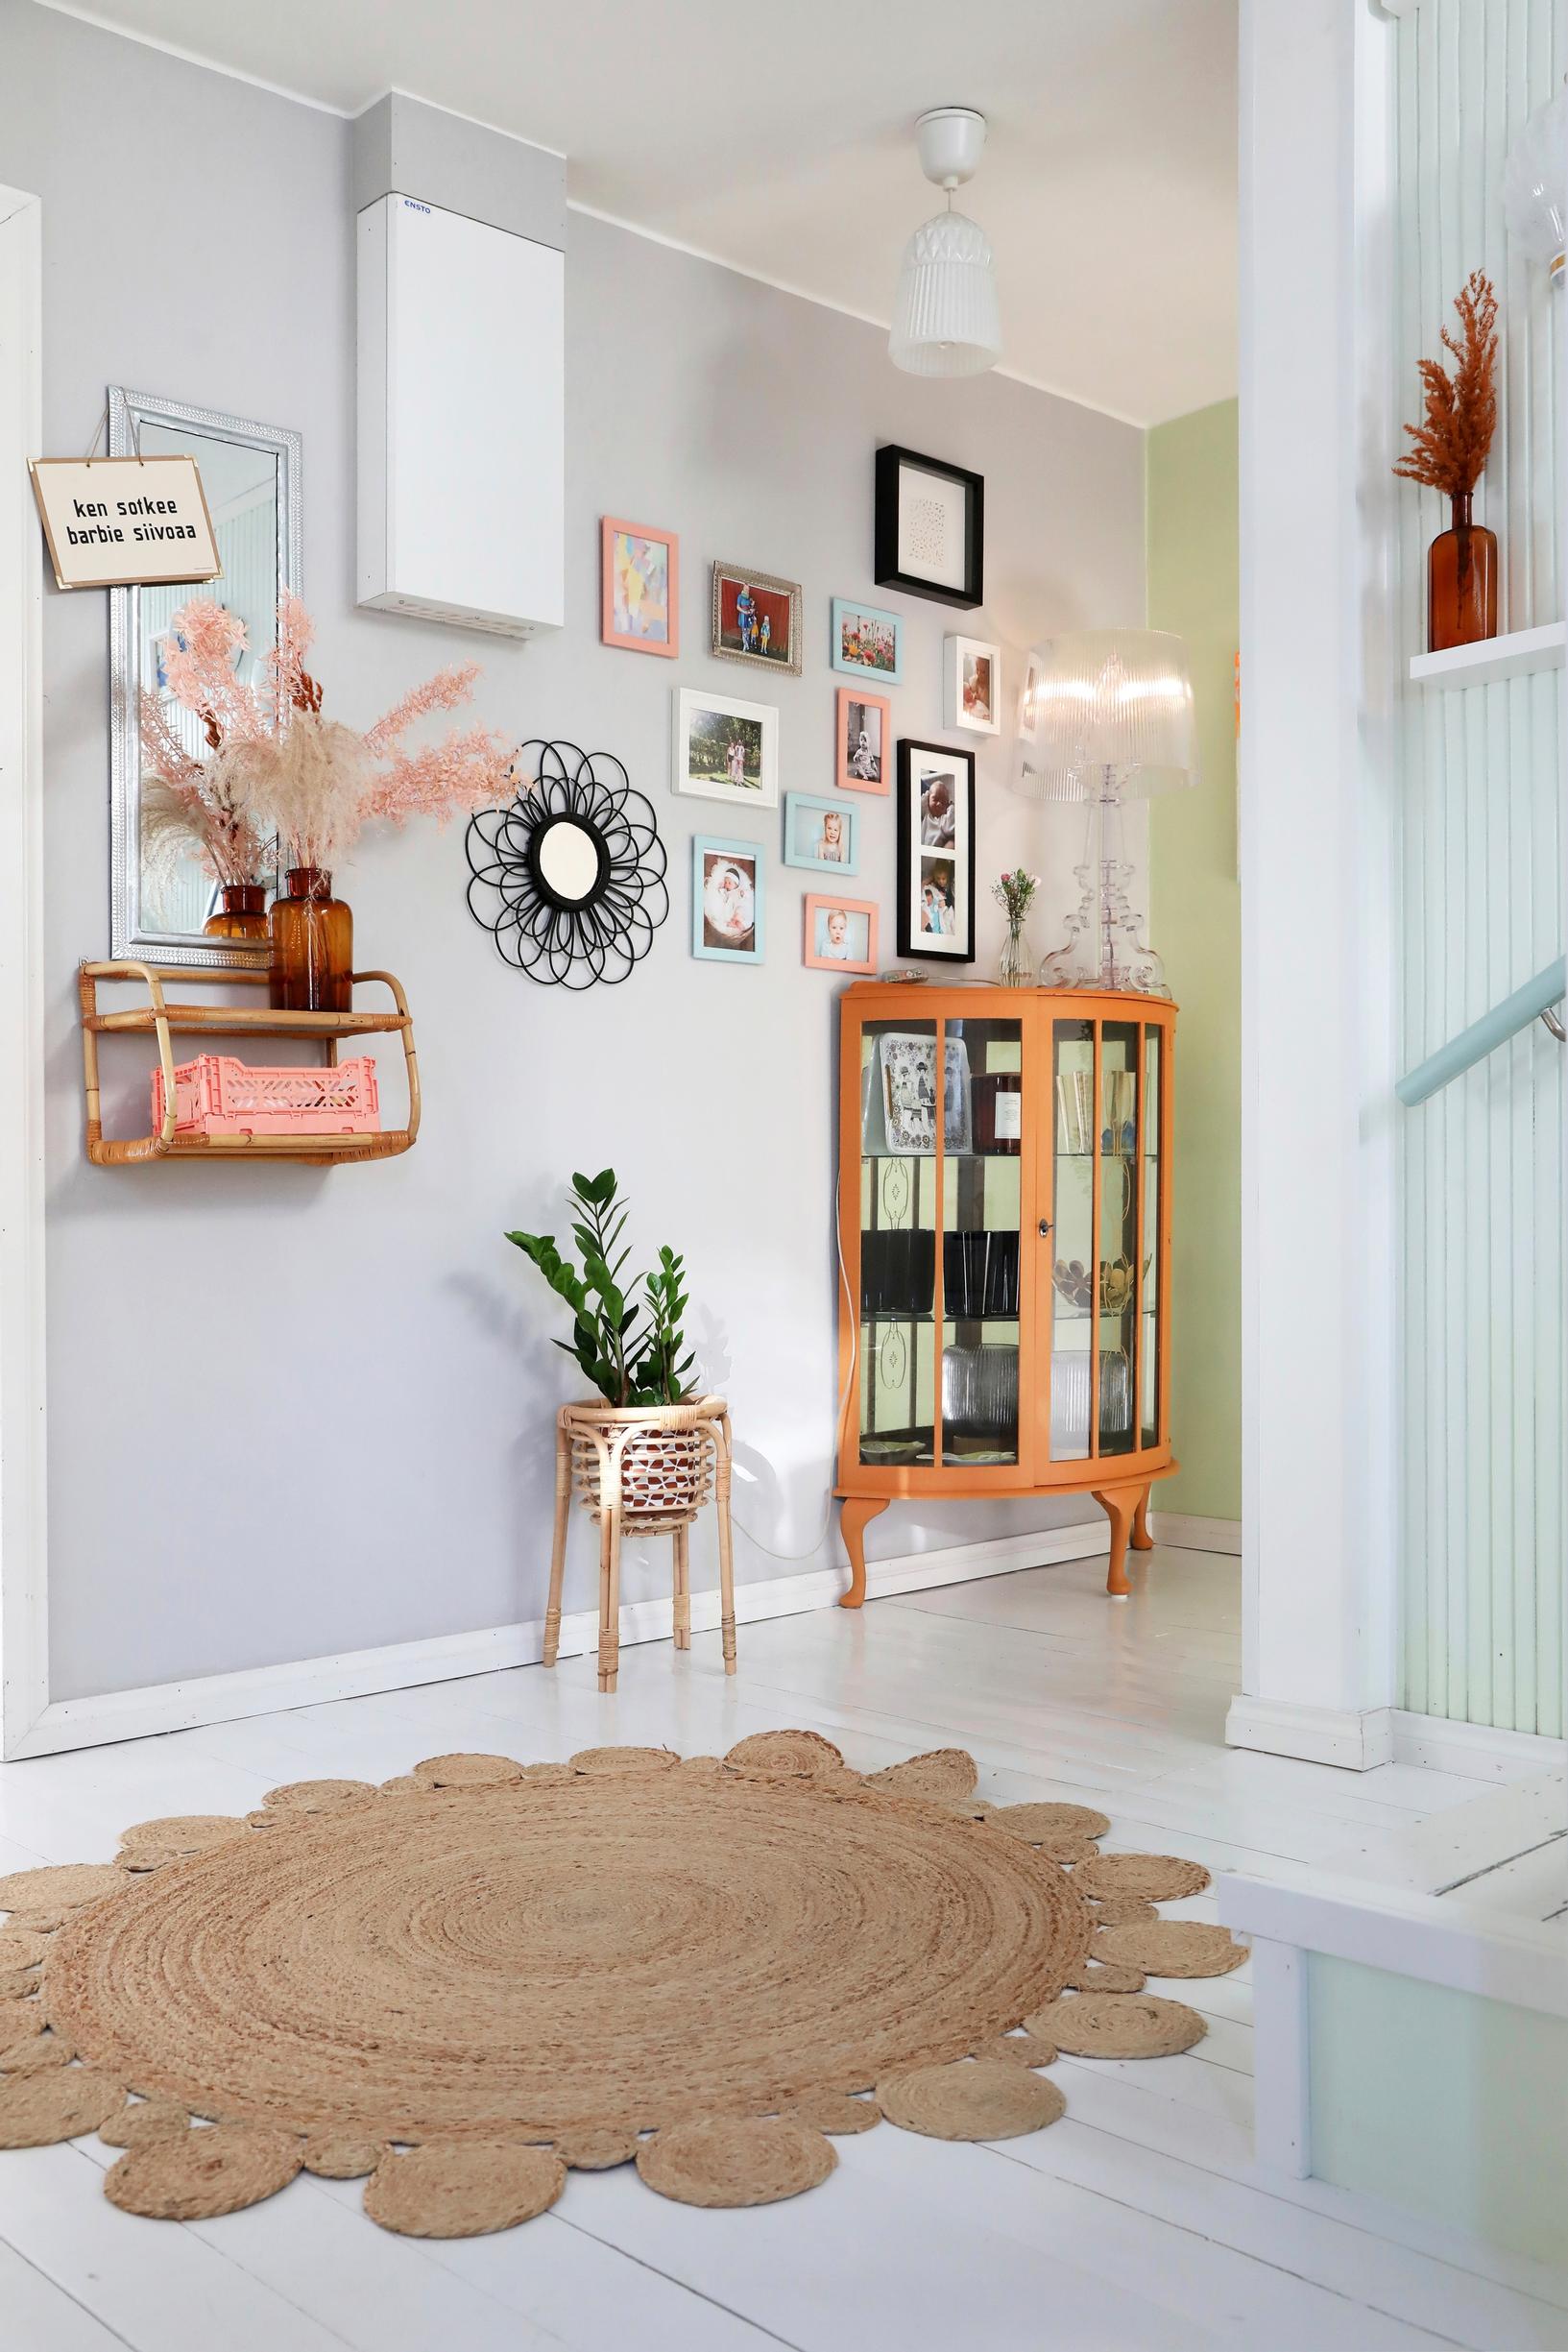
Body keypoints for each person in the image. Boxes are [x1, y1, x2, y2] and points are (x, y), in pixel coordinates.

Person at [703, 858, 755, 948]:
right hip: (732, 907)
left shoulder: (739, 890)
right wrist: (720, 888)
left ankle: (738, 921)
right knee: (732, 914)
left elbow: (749, 894)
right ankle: (736, 923)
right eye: (726, 882)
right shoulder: (727, 892)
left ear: (736, 884)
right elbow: (721, 896)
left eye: (729, 882)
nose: (727, 884)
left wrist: (744, 893)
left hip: (739, 905)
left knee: (740, 910)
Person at [920, 774, 955, 848]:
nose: (939, 804)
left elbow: (953, 828)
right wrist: (929, 794)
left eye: (943, 802)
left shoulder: (944, 820)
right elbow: (921, 801)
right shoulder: (926, 811)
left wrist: (950, 806)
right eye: (935, 799)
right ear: (928, 799)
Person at [736, 583, 756, 653]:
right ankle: (745, 645)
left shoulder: (749, 598)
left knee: (748, 631)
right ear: (743, 588)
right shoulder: (740, 596)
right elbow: (738, 607)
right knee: (744, 631)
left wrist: (752, 606)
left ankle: (747, 644)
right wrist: (744, 612)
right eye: (746, 589)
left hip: (748, 616)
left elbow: (750, 608)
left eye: (748, 589)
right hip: (743, 616)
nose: (747, 590)